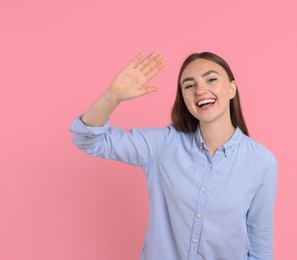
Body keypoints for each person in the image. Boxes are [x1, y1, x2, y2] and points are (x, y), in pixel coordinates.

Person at [70, 51, 278, 260]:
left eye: (211, 79)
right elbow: (88, 140)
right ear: (184, 98)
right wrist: (112, 97)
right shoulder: (163, 145)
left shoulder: (262, 162)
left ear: (232, 88)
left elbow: (260, 251)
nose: (200, 90)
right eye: (189, 85)